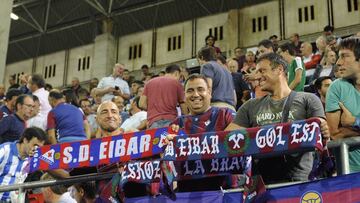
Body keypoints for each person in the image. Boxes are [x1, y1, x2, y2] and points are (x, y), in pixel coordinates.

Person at [225, 53, 330, 184]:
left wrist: (323, 128)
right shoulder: (250, 106)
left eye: (262, 71)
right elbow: (226, 138)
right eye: (256, 72)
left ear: (279, 69)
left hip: (299, 183)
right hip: (262, 185)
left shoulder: (308, 99)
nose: (257, 76)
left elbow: (321, 129)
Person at [168, 74, 251, 191]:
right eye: (190, 91)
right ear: (184, 95)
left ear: (210, 92)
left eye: (200, 89)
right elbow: (168, 168)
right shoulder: (177, 124)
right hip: (187, 190)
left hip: (225, 189)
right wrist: (168, 146)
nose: (195, 94)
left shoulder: (226, 114)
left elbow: (244, 143)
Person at [325, 37, 360, 172]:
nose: (338, 62)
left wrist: (354, 122)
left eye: (345, 56)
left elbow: (342, 131)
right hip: (348, 170)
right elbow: (335, 134)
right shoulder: (336, 88)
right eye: (339, 57)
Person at [0, 127, 47, 202]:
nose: (36, 149)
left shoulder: (34, 159)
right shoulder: (4, 150)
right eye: (35, 145)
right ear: (25, 140)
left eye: (39, 148)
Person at [139, 64, 188, 128]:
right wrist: (187, 121)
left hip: (152, 122)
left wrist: (153, 109)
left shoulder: (149, 82)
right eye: (180, 76)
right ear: (176, 73)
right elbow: (183, 106)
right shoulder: (177, 84)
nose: (180, 79)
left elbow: (141, 104)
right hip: (171, 121)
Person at [198, 46, 236, 111]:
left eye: (198, 61)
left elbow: (208, 87)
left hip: (216, 108)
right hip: (231, 109)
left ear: (201, 57)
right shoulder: (227, 71)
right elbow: (234, 96)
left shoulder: (207, 66)